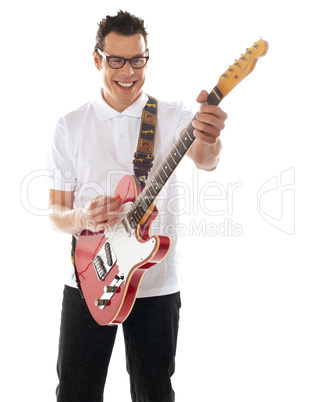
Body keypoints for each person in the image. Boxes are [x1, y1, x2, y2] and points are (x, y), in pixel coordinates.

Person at [47, 10, 227, 402]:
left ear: (147, 57)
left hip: (155, 281)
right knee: (75, 393)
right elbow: (56, 214)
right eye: (116, 60)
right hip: (89, 279)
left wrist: (210, 137)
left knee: (154, 393)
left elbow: (205, 158)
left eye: (137, 60)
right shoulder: (70, 125)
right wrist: (82, 217)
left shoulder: (173, 114)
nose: (128, 71)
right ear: (98, 59)